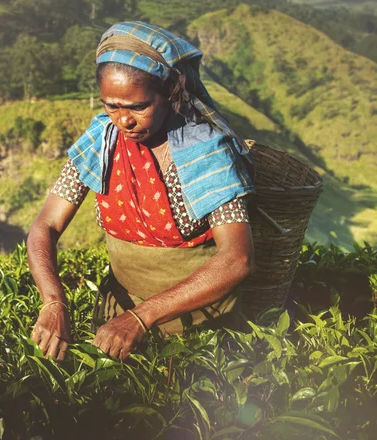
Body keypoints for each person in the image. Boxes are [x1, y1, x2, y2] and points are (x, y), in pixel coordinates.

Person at [27, 21, 255, 361]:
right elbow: (45, 227)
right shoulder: (101, 140)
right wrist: (53, 302)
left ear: (169, 92)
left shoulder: (205, 151)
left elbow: (237, 258)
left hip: (202, 326)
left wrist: (142, 316)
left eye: (138, 107)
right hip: (116, 319)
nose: (124, 121)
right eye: (111, 106)